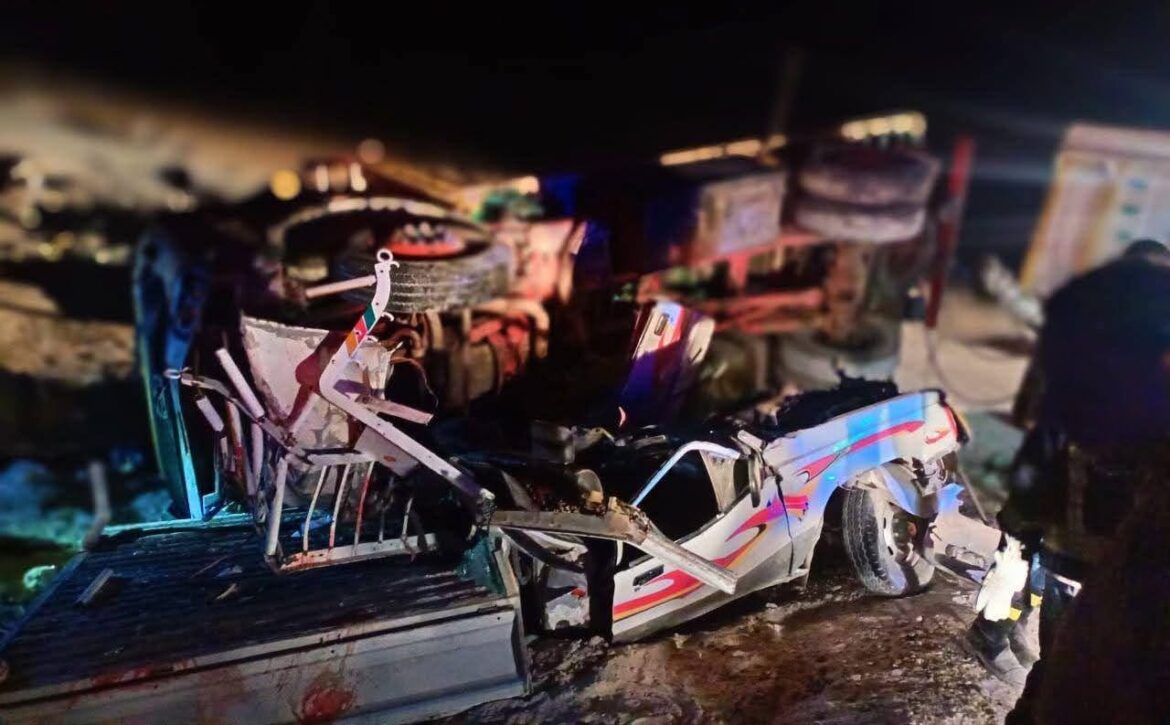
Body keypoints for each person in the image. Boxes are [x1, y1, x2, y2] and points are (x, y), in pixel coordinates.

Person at [967, 239, 1170, 722]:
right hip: (1078, 541)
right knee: (1055, 634)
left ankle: (1006, 632)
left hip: (1085, 540)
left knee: (1054, 626)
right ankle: (994, 634)